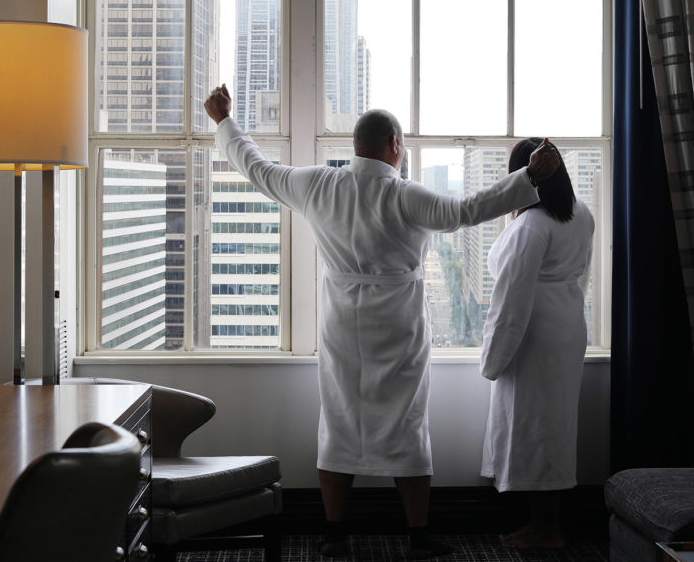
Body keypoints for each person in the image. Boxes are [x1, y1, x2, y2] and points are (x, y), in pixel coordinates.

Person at [204, 85, 561, 559]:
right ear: (395, 145)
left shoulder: (316, 184)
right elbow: (466, 211)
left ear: (356, 145)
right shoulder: (406, 194)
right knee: (408, 426)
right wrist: (527, 179)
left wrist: (224, 121)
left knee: (338, 424)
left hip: (340, 323)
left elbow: (258, 169)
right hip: (399, 326)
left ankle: (334, 534)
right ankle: (417, 536)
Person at [479, 137, 595, 549]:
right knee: (555, 424)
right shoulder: (581, 214)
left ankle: (545, 528)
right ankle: (546, 523)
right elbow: (582, 275)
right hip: (567, 323)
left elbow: (512, 296)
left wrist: (493, 356)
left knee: (532, 425)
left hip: (536, 329)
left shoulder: (530, 225)